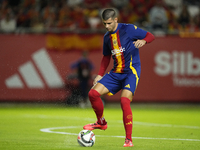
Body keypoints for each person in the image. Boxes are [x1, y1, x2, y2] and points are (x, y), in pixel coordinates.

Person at [83, 8, 155, 147]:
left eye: (109, 23)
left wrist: (144, 41)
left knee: (124, 101)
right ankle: (101, 123)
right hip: (116, 73)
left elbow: (150, 35)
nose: (107, 26)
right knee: (93, 93)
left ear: (116, 20)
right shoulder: (106, 37)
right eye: (104, 24)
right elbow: (106, 57)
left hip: (131, 72)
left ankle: (128, 139)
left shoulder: (129, 29)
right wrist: (100, 74)